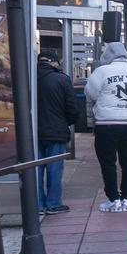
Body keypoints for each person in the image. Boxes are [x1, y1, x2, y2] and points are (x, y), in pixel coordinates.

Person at [85, 42, 127, 213]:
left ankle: (113, 199)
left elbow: (91, 93)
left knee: (108, 162)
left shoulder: (102, 71)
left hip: (107, 123)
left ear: (108, 55)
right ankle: (126, 198)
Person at [36, 50, 79, 214]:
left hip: (32, 133)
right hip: (56, 131)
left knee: (35, 168)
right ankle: (53, 204)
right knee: (54, 168)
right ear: (54, 62)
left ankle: (38, 205)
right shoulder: (62, 79)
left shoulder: (28, 78)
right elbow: (73, 108)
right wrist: (65, 122)